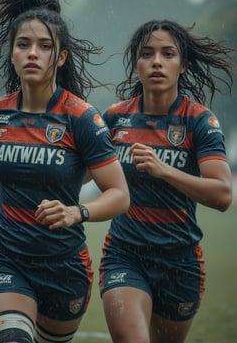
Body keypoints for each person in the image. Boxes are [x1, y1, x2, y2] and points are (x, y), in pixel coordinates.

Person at [0, 0, 130, 343]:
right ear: (12, 53)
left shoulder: (82, 118)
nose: (32, 53)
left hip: (65, 268)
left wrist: (78, 213)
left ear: (60, 58)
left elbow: (120, 194)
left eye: (45, 46)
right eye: (23, 45)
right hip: (6, 257)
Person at [99, 19, 234, 343]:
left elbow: (222, 195)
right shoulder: (115, 118)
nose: (157, 61)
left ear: (183, 64)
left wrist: (165, 170)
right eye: (147, 54)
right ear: (136, 64)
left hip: (180, 261)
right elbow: (83, 173)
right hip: (125, 253)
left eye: (168, 53)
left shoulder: (200, 120)